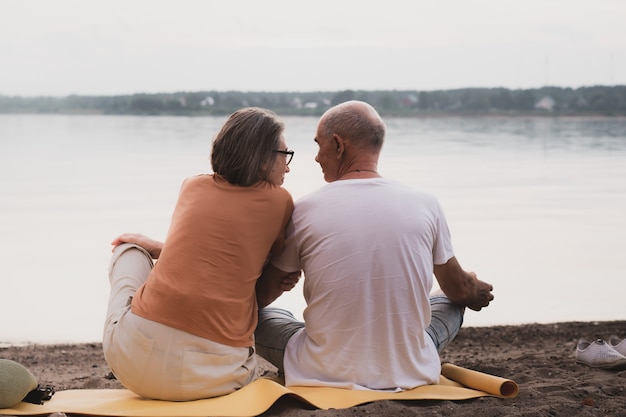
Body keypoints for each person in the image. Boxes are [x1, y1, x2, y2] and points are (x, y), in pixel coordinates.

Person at [255, 100, 494, 391]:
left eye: (319, 146)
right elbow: (459, 289)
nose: (317, 158)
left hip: (322, 368)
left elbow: (262, 294)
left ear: (338, 145)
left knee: (259, 315)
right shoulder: (426, 203)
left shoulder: (304, 208)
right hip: (411, 368)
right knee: (448, 300)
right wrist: (474, 289)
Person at [103, 107, 296, 401]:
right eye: (285, 155)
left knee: (129, 249)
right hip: (219, 379)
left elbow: (205, 256)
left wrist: (155, 249)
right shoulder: (280, 201)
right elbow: (250, 275)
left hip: (133, 368)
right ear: (262, 157)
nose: (288, 166)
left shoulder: (192, 186)